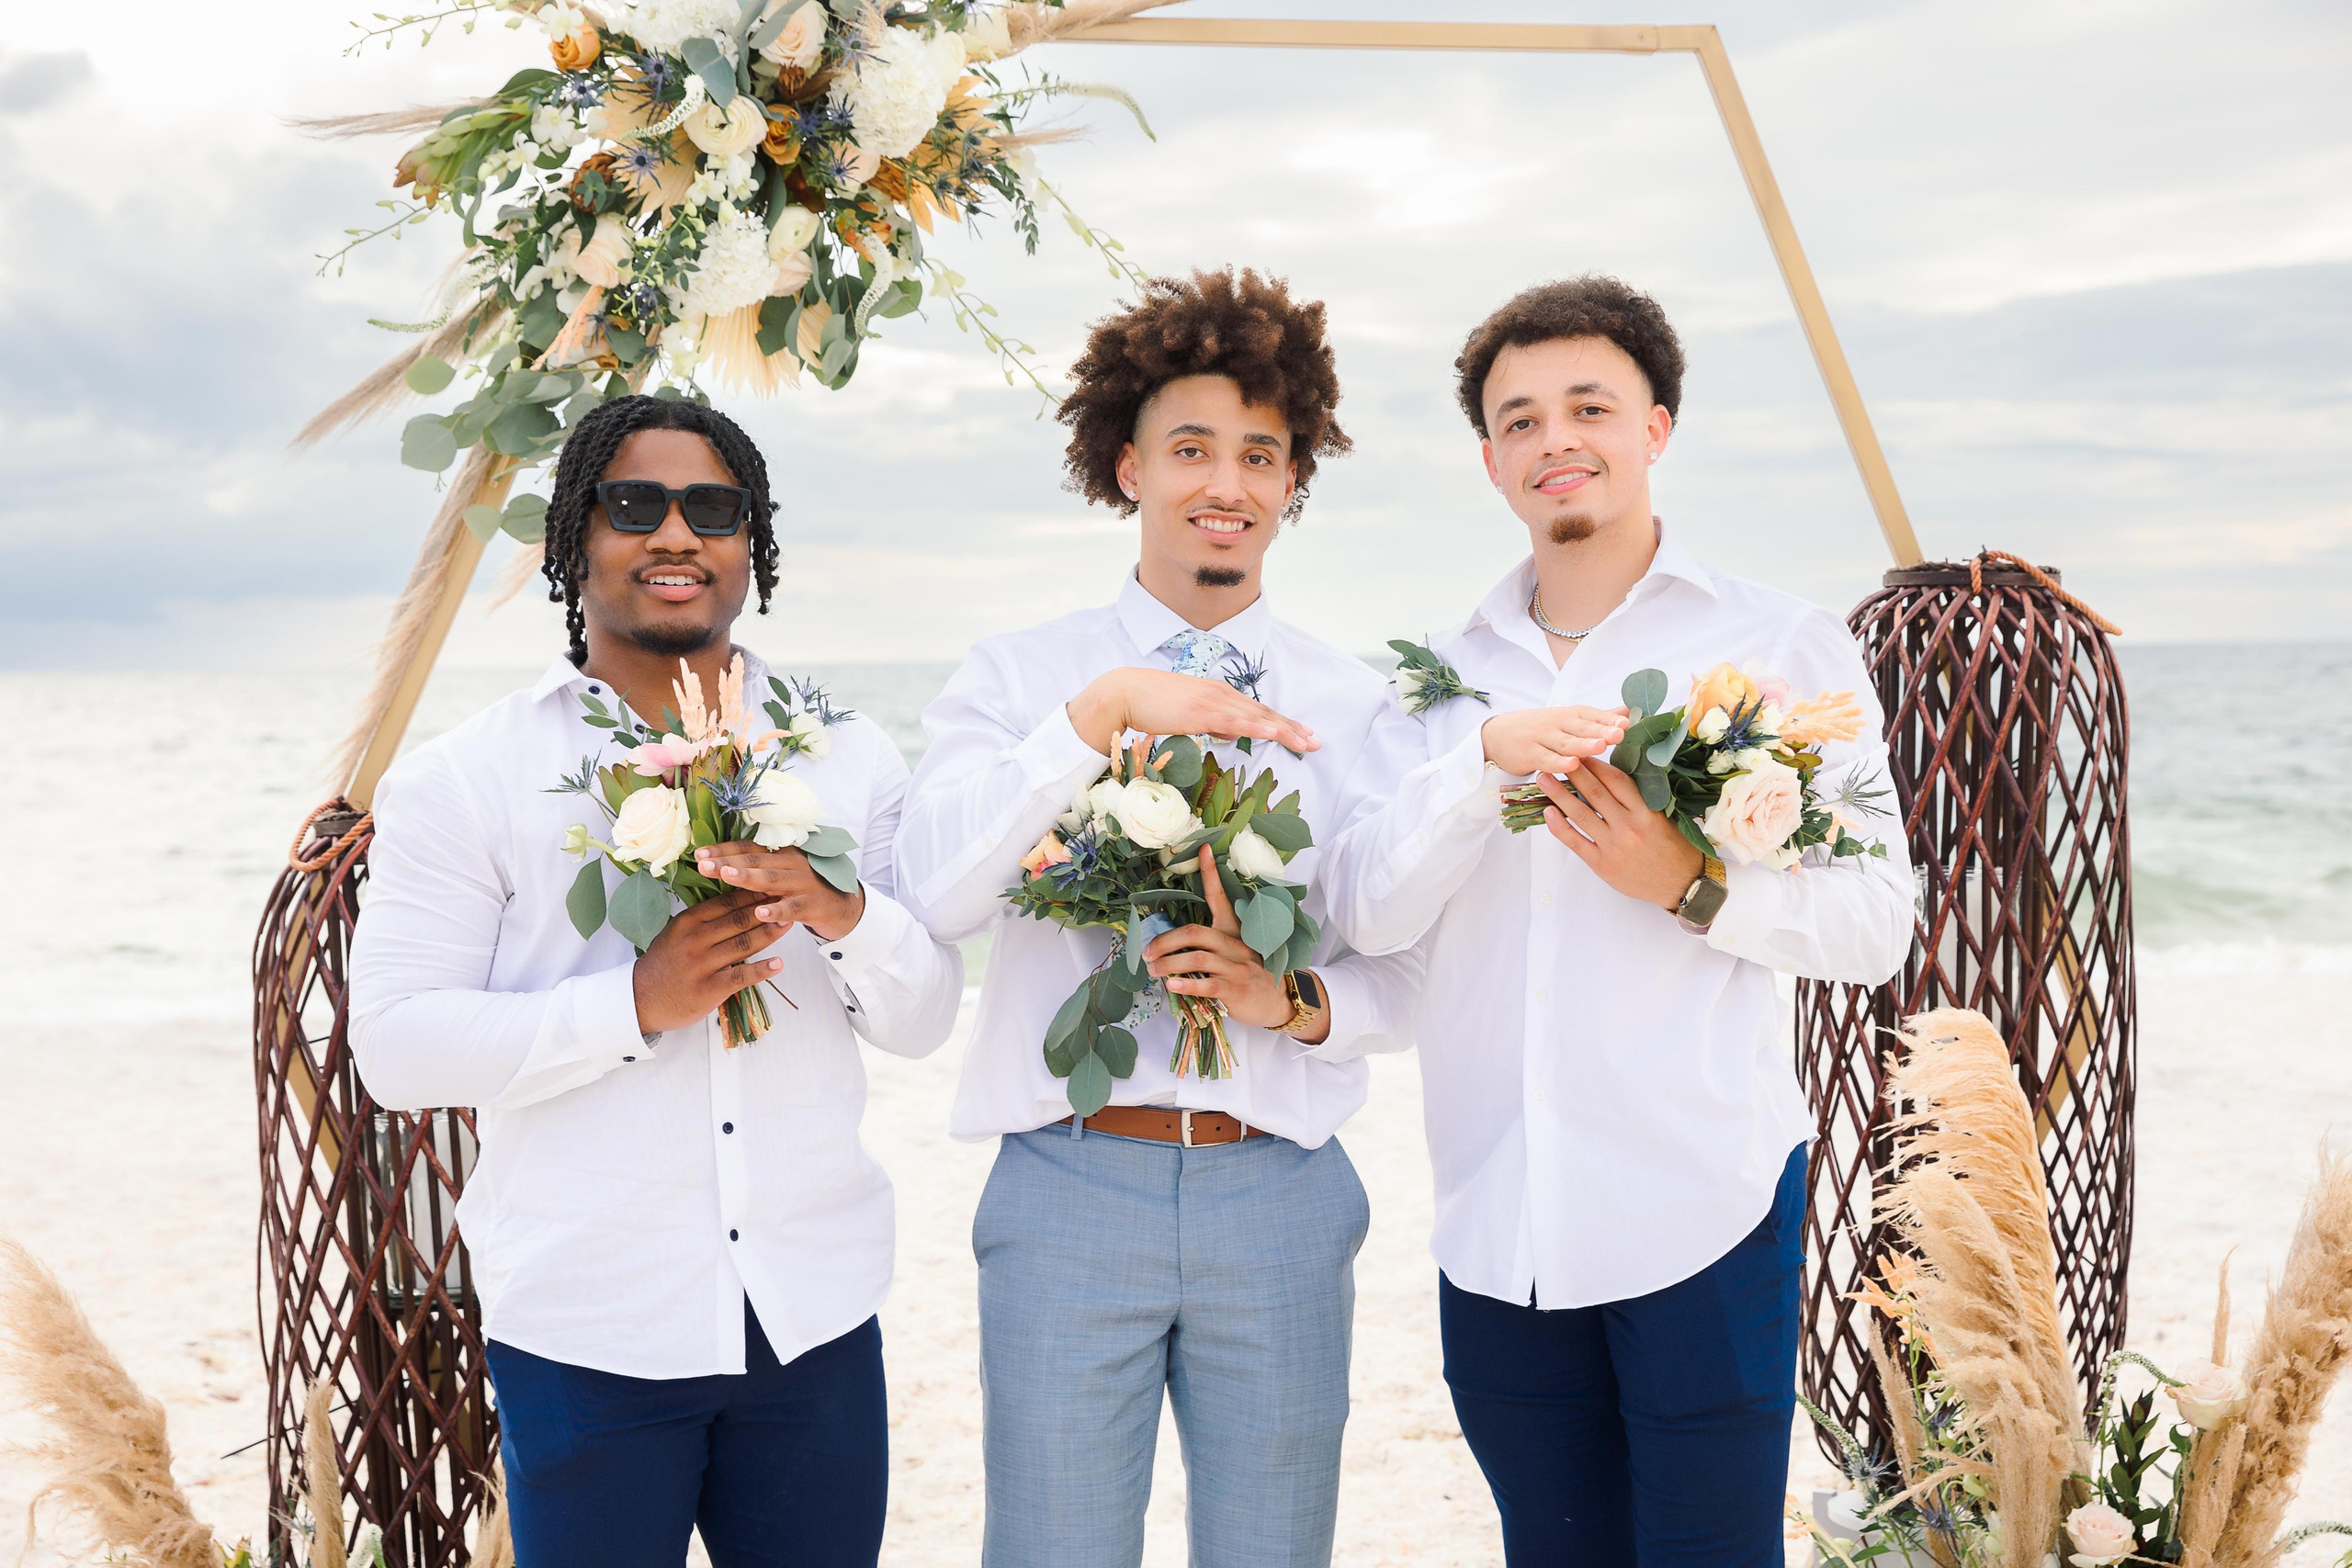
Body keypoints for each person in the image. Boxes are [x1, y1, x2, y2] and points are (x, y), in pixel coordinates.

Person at [1318, 276, 1916, 1565]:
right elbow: (1367, 912)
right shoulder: (1435, 679)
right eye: (1520, 419)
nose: (1556, 439)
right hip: (1498, 1215)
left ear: (1656, 427)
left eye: (1589, 405)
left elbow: (1876, 921)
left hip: (1705, 1200)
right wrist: (1481, 763)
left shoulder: (1779, 643)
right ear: (1491, 461)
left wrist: (1690, 885)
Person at [347, 394, 963, 1567]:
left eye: (712, 509)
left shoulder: (848, 757)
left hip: (813, 1317)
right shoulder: (466, 778)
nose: (675, 534)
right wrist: (633, 1006)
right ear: (576, 538)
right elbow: (397, 1044)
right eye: (634, 505)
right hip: (588, 1325)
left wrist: (844, 913)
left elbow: (925, 1017)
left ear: (753, 542)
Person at [891, 268, 1426, 1568]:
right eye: (1191, 448)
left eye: (1261, 453)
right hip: (1071, 1178)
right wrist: (1089, 723)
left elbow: (1407, 974)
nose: (1226, 483)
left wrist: (1288, 996)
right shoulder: (1021, 676)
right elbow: (933, 896)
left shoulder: (1355, 706)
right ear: (1126, 465)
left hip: (1284, 1189)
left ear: (1295, 480)